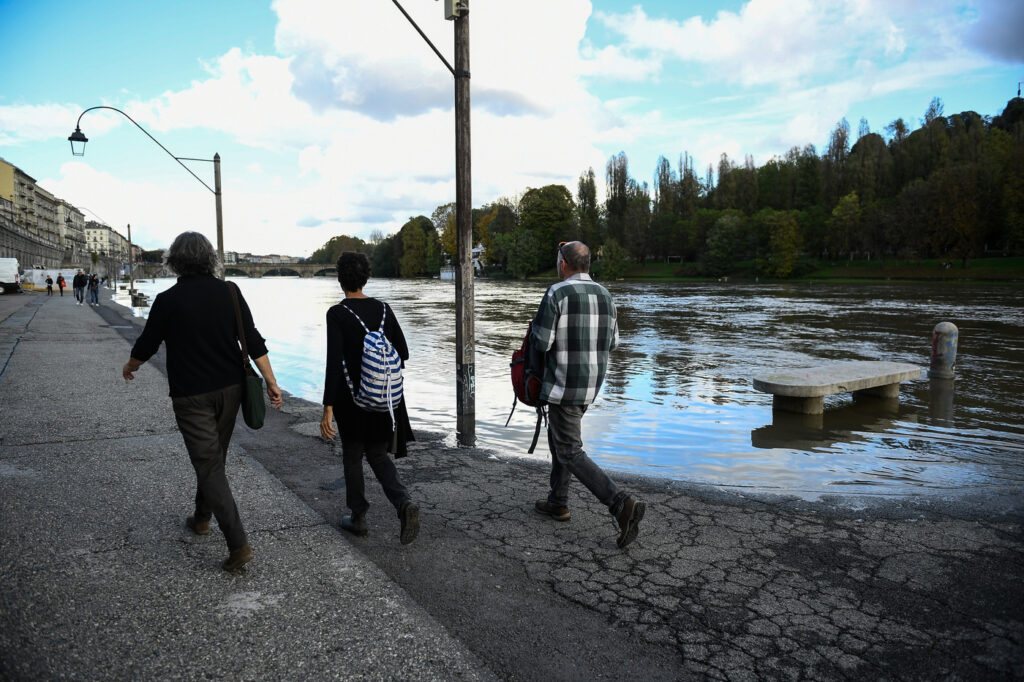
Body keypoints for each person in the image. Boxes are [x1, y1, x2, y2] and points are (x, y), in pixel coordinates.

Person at [122, 232, 283, 572]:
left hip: (191, 395)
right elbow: (252, 340)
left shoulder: (167, 300)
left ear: (175, 261)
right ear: (211, 258)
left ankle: (239, 544)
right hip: (231, 390)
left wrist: (131, 366)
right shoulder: (230, 292)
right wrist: (271, 381)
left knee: (208, 462)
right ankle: (201, 518)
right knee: (213, 458)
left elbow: (148, 343)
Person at [531, 241, 645, 549]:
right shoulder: (606, 295)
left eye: (558, 261)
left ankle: (620, 504)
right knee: (561, 441)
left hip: (563, 384)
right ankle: (558, 502)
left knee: (569, 450)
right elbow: (614, 344)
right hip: (591, 385)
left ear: (564, 264)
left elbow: (541, 343)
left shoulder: (557, 292)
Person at [320, 251, 419, 544]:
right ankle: (403, 504)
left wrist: (327, 409)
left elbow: (333, 363)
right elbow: (404, 352)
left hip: (350, 401)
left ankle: (359, 517)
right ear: (366, 277)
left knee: (352, 456)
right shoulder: (385, 309)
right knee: (377, 454)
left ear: (340, 279)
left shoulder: (337, 313)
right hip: (384, 399)